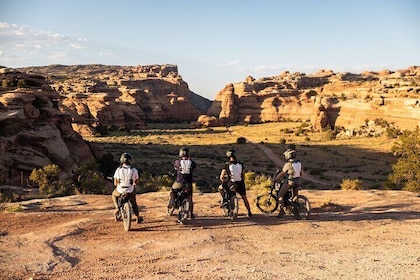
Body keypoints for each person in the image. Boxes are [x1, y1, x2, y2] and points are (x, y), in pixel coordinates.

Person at [219, 149, 253, 218]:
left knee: (221, 188)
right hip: (240, 183)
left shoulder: (227, 165)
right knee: (244, 198)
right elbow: (243, 175)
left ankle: (225, 201)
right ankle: (249, 211)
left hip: (231, 183)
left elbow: (221, 177)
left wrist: (223, 181)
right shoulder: (240, 164)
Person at [112, 152, 143, 223]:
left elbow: (115, 183)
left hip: (120, 190)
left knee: (114, 194)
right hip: (130, 190)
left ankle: (117, 207)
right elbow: (137, 182)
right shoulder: (134, 170)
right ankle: (137, 217)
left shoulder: (118, 170)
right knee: (133, 202)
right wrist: (134, 184)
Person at [167, 147, 197, 219]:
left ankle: (172, 201)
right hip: (188, 183)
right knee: (190, 198)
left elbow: (175, 169)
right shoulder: (192, 163)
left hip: (179, 182)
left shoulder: (177, 162)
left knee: (172, 190)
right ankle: (191, 213)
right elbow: (194, 167)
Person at [273, 148, 303, 217]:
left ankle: (282, 212)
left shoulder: (288, 164)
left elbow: (282, 173)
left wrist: (275, 179)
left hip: (290, 181)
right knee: (295, 197)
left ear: (288, 156)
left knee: (280, 195)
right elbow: (301, 173)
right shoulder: (299, 163)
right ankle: (296, 214)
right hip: (298, 181)